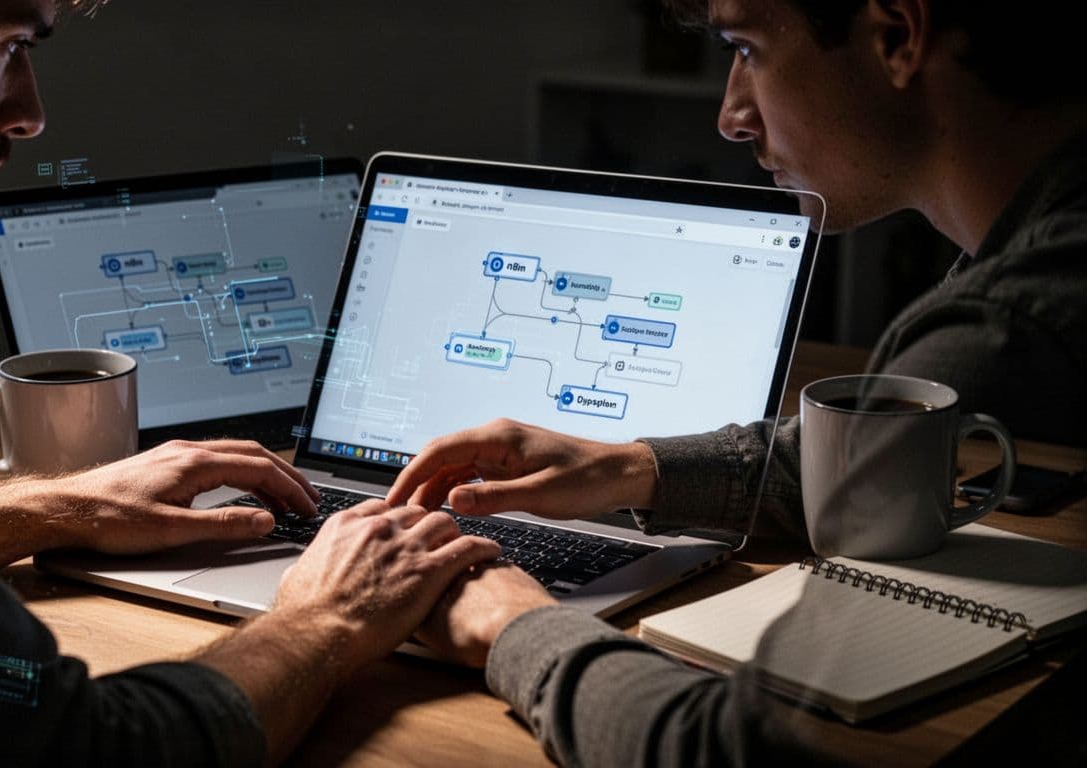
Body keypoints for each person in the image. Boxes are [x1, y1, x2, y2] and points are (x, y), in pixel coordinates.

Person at [0, 1, 499, 764]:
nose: (29, 113)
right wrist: (326, 618)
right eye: (10, 47)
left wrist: (50, 507)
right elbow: (82, 752)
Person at [387, 0, 1087, 764]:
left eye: (746, 48)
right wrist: (630, 468)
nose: (730, 115)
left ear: (897, 36)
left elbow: (726, 750)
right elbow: (864, 475)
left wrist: (513, 624)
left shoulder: (1012, 325)